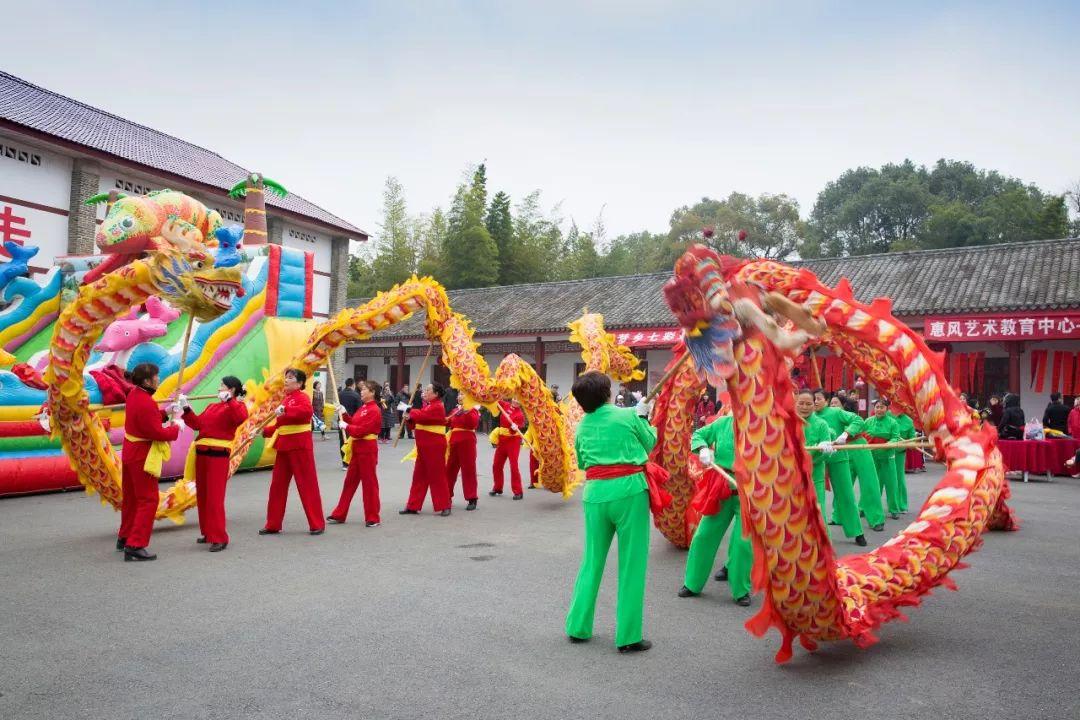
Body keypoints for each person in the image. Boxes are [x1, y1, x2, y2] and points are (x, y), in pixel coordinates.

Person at [565, 371, 656, 653]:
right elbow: (651, 443)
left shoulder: (581, 427)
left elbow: (582, 461)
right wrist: (642, 416)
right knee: (632, 564)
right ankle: (628, 636)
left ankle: (578, 627)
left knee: (591, 560)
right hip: (629, 491)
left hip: (595, 494)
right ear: (607, 393)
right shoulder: (627, 416)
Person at [677, 408, 755, 604]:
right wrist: (702, 447)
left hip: (751, 492)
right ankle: (692, 583)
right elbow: (699, 434)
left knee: (743, 544)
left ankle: (741, 590)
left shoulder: (766, 428)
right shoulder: (723, 423)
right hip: (721, 489)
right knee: (704, 535)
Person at [117, 363, 181, 561]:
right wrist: (176, 428)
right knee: (148, 499)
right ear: (147, 380)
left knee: (131, 498)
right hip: (141, 455)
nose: (158, 379)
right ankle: (135, 544)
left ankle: (125, 536)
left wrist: (166, 412)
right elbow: (155, 432)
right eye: (156, 376)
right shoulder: (144, 401)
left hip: (130, 451)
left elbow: (147, 420)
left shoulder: (135, 395)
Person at [181, 376, 248, 552]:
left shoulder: (237, 406)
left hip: (218, 456)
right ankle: (207, 532)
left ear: (232, 390)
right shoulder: (211, 406)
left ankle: (219, 537)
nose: (219, 389)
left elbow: (241, 418)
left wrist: (231, 402)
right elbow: (197, 424)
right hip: (202, 454)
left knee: (215, 497)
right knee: (203, 495)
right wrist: (186, 408)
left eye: (222, 386)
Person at [795, 389, 866, 546]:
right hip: (811, 462)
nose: (816, 403)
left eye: (817, 400)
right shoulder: (796, 420)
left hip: (836, 457)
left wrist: (845, 434)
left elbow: (858, 421)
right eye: (802, 403)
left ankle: (857, 532)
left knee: (845, 494)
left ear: (824, 401)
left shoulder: (833, 413)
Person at [260, 368, 325, 535]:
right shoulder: (286, 399)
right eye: (286, 377)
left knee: (307, 485)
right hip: (284, 445)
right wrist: (263, 431)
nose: (286, 380)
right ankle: (272, 524)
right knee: (277, 486)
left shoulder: (302, 397)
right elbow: (280, 424)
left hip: (299, 446)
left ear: (300, 383)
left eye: (290, 378)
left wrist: (286, 411)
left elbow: (306, 413)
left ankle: (317, 523)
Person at [813, 389, 885, 532]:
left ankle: (876, 518)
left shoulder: (838, 413)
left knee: (869, 482)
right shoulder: (813, 416)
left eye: (835, 403)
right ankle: (838, 516)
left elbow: (858, 421)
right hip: (835, 452)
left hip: (857, 447)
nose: (833, 405)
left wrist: (846, 433)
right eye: (813, 399)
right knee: (843, 486)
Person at [328, 380, 383, 527]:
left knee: (369, 483)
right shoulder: (363, 408)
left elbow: (362, 430)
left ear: (372, 393)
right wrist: (345, 414)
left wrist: (347, 426)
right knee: (349, 483)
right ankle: (340, 514)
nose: (361, 391)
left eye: (365, 389)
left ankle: (373, 517)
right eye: (362, 389)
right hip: (358, 448)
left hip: (367, 448)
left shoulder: (374, 410)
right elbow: (354, 423)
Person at [401, 383, 452, 516]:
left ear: (436, 394)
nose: (425, 391)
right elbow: (418, 422)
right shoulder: (429, 406)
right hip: (424, 446)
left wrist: (410, 411)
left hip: (434, 446)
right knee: (418, 476)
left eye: (428, 390)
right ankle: (413, 505)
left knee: (437, 476)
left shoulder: (437, 406)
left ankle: (444, 505)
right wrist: (409, 417)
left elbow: (422, 416)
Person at [862, 399, 901, 519]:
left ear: (887, 409)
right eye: (877, 407)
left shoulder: (893, 423)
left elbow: (896, 437)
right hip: (872, 456)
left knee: (892, 484)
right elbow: (862, 435)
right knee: (872, 484)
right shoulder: (868, 421)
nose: (879, 409)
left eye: (882, 407)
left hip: (887, 456)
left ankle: (894, 509)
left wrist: (890, 443)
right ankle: (866, 507)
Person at [445, 396, 480, 510]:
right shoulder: (455, 411)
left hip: (467, 442)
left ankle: (472, 498)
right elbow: (448, 423)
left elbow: (473, 423)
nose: (460, 396)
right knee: (450, 470)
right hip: (454, 442)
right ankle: (446, 496)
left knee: (468, 470)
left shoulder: (473, 410)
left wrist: (466, 409)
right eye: (459, 394)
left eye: (463, 395)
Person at [490, 398, 526, 499]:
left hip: (513, 441)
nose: (516, 401)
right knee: (496, 464)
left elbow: (515, 430)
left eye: (518, 400)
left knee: (513, 466)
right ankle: (497, 487)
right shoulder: (505, 405)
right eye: (514, 398)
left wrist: (515, 427)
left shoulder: (520, 415)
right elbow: (495, 399)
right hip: (502, 440)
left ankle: (518, 491)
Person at [889, 404, 916, 513]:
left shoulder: (909, 421)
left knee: (899, 479)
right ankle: (867, 507)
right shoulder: (887, 416)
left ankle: (901, 505)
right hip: (885, 452)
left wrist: (912, 443)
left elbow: (912, 437)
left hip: (900, 453)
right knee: (879, 480)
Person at [338, 379, 363, 467]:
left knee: (342, 440)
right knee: (351, 440)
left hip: (341, 419)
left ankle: (344, 462)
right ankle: (349, 460)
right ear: (353, 385)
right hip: (352, 420)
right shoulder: (356, 395)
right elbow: (359, 409)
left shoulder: (339, 394)